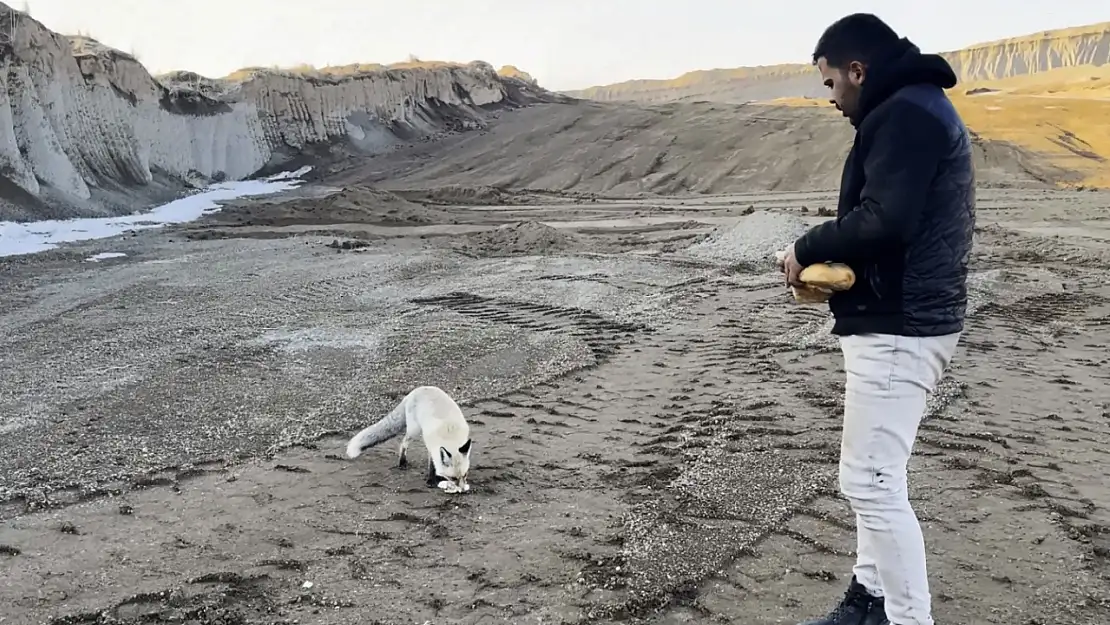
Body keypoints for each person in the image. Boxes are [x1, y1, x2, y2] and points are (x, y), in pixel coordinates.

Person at [778, 13, 975, 625]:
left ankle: (907, 618)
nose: (831, 99)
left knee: (869, 483)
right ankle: (870, 600)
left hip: (902, 325)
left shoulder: (908, 113)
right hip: (901, 316)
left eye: (832, 83)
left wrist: (805, 248)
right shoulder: (914, 106)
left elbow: (885, 218)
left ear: (858, 70)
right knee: (877, 474)